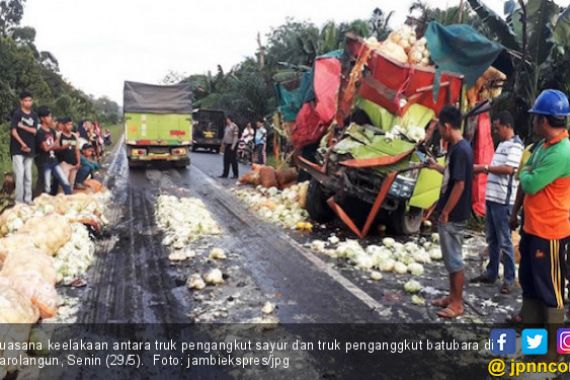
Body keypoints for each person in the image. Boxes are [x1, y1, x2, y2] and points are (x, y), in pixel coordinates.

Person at [518, 89, 570, 327]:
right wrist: (527, 173)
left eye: (535, 117)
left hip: (549, 233)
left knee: (551, 293)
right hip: (531, 228)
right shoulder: (542, 146)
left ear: (544, 120)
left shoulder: (562, 152)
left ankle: (554, 352)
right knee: (529, 286)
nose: (533, 122)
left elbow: (530, 182)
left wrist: (527, 173)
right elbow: (526, 173)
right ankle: (534, 346)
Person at [428, 105, 473, 319]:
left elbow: (460, 185)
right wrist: (435, 167)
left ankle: (457, 304)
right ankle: (451, 296)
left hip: (454, 214)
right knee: (450, 258)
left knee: (455, 260)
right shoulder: (456, 147)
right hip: (451, 212)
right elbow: (453, 175)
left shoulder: (462, 150)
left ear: (446, 126)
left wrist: (445, 211)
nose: (439, 131)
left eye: (439, 126)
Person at [471, 111, 524, 294]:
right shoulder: (502, 144)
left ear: (507, 126)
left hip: (503, 201)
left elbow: (509, 169)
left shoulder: (515, 146)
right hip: (492, 199)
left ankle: (509, 278)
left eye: (497, 127)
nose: (495, 131)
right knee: (492, 239)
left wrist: (483, 168)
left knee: (505, 241)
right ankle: (492, 272)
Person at [36, 107, 72, 195]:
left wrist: (63, 147)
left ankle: (69, 202)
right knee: (47, 187)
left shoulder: (52, 131)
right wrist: (54, 144)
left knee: (66, 183)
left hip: (54, 161)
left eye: (50, 116)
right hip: (44, 162)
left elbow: (56, 146)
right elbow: (46, 148)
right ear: (42, 118)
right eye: (48, 116)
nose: (51, 118)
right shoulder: (40, 132)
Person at [10, 91, 37, 204]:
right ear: (21, 101)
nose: (28, 102)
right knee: (19, 175)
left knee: (28, 176)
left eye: (30, 100)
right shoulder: (17, 114)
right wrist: (22, 144)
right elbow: (13, 131)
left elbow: (35, 131)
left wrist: (23, 126)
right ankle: (19, 201)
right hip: (17, 149)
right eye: (26, 100)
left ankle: (28, 199)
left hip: (30, 149)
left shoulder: (34, 115)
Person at [56, 117, 81, 190]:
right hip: (64, 163)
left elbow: (77, 150)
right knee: (63, 184)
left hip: (73, 163)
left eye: (71, 124)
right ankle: (61, 199)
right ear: (63, 125)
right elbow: (55, 148)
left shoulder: (74, 136)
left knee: (71, 184)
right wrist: (64, 147)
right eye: (68, 124)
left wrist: (78, 162)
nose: (70, 126)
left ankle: (69, 199)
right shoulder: (59, 135)